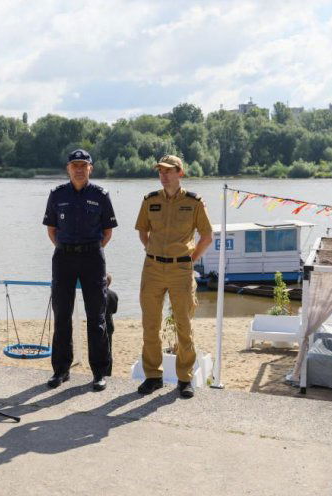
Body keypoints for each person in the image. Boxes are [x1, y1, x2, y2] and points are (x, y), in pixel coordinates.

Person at [135, 155, 213, 399]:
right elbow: (142, 231)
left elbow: (207, 236)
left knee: (183, 325)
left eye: (169, 171)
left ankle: (184, 378)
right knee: (150, 324)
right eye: (161, 171)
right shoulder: (150, 200)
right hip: (153, 269)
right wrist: (153, 252)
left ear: (180, 172)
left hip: (181, 270)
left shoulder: (194, 202)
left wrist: (191, 259)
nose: (164, 175)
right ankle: (153, 376)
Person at [43, 149, 117, 391]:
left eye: (83, 165)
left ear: (90, 169)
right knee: (62, 316)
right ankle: (61, 370)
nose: (78, 169)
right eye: (74, 165)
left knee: (96, 317)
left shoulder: (101, 195)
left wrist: (89, 250)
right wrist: (67, 249)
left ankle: (99, 372)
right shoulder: (57, 195)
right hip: (63, 257)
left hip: (93, 258)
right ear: (68, 169)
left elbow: (107, 232)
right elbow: (52, 229)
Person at [105, 273, 118, 376]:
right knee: (109, 350)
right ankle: (108, 372)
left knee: (100, 349)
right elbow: (114, 311)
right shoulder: (114, 295)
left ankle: (101, 371)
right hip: (109, 323)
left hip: (101, 323)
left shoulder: (98, 294)